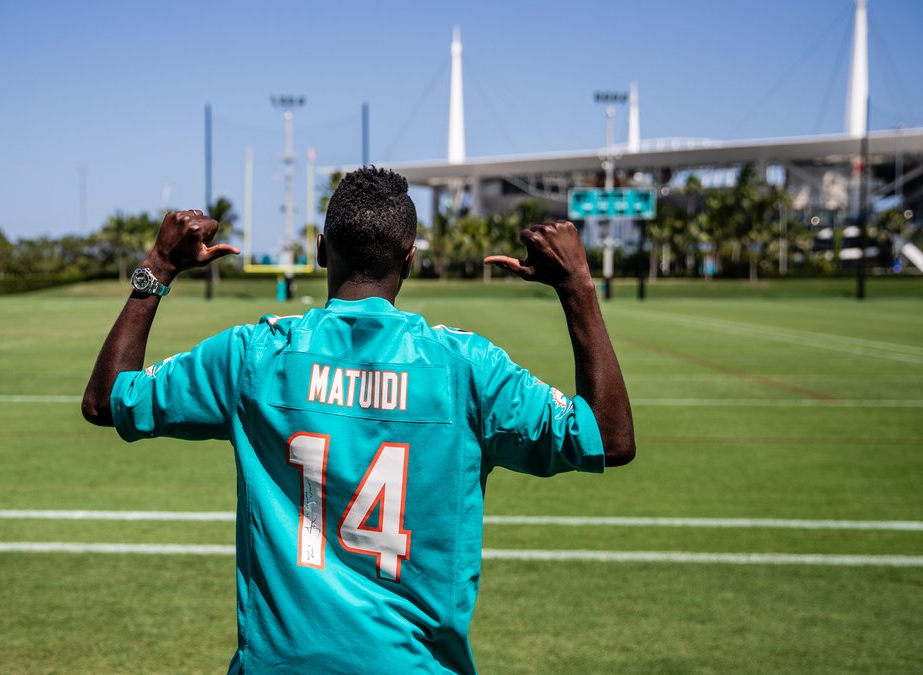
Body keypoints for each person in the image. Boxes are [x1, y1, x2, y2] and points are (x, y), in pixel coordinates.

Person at [82, 167, 635, 673]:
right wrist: (578, 289)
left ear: (322, 250)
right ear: (409, 260)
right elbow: (609, 439)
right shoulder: (469, 369)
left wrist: (157, 267)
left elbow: (106, 401)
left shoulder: (254, 354)